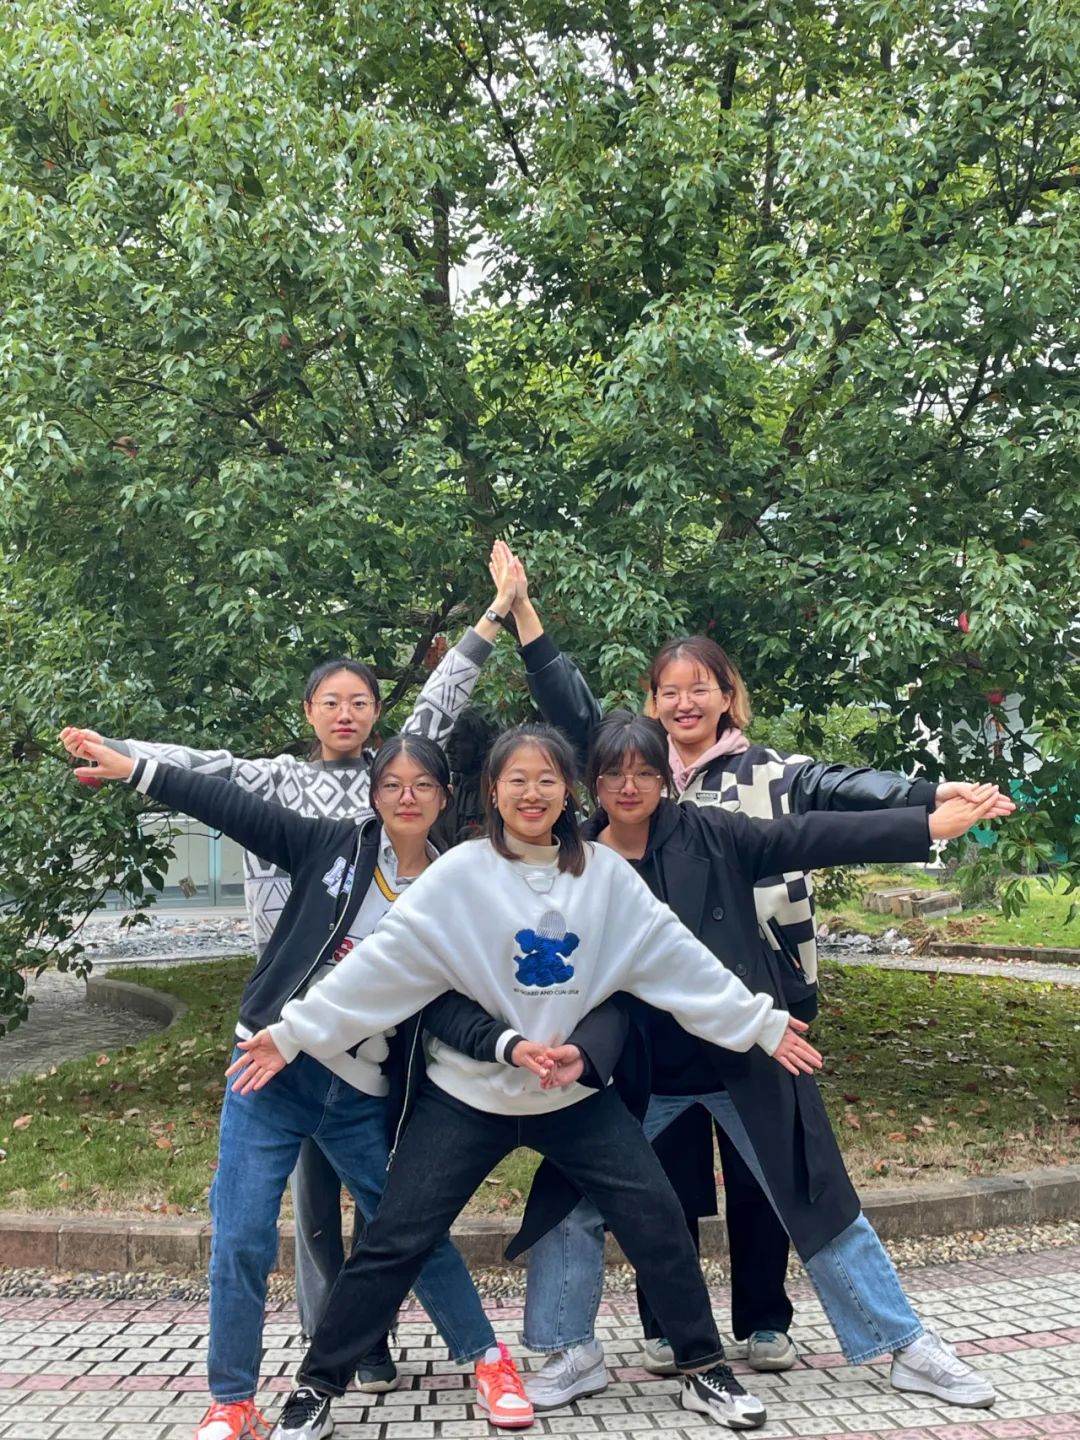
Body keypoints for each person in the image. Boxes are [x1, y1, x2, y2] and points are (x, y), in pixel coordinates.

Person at [76, 723, 845, 1437]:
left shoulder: (606, 876)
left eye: (547, 780)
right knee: (393, 1239)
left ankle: (705, 1369)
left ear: (568, 791)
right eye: (517, 780)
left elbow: (677, 960)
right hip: (469, 1095)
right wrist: (295, 1031)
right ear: (492, 793)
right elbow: (382, 968)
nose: (532, 793)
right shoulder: (458, 876)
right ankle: (317, 1386)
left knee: (657, 1220)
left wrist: (761, 1023)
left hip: (571, 1096)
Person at [496, 540, 1012, 1375]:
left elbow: (818, 827)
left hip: (743, 1041)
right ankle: (567, 1351)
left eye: (643, 772)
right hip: (634, 1061)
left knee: (811, 1192)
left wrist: (926, 818)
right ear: (595, 775)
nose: (629, 784)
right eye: (613, 772)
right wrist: (522, 612)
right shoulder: (575, 861)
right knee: (574, 1197)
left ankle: (901, 1344)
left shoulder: (721, 824)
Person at [58, 575, 517, 1372]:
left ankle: (376, 1338)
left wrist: (494, 615)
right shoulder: (280, 784)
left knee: (382, 1199)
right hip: (286, 1022)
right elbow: (205, 777)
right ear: (309, 712)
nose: (346, 714)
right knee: (309, 1207)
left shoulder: (394, 790)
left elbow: (440, 705)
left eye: (360, 702)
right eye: (330, 702)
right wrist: (125, 758)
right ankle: (327, 1340)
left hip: (370, 1031)